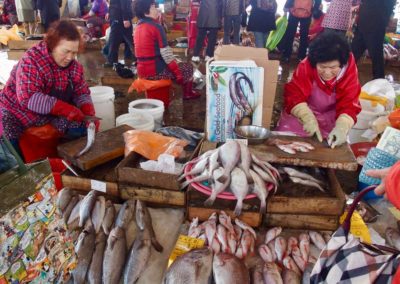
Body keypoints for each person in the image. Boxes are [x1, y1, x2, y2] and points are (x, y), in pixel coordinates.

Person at [0, 20, 97, 152]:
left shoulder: (74, 67)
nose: (70, 57)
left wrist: (88, 111)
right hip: (16, 110)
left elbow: (81, 92)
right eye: (66, 51)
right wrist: (66, 109)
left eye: (74, 53)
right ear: (53, 45)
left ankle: (69, 157)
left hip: (47, 113)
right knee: (10, 149)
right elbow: (29, 98)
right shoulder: (31, 61)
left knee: (80, 128)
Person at [276, 32, 361, 148]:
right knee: (286, 137)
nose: (327, 73)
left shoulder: (349, 68)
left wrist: (342, 125)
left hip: (333, 116)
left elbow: (350, 102)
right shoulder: (306, 64)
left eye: (333, 67)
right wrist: (306, 117)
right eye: (322, 67)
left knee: (335, 146)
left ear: (342, 63)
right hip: (306, 111)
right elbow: (294, 93)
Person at [134, 0, 200, 99]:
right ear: (145, 11)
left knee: (176, 61)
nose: (156, 9)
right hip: (155, 72)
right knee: (188, 67)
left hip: (141, 71)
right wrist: (178, 74)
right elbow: (167, 55)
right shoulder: (156, 27)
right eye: (153, 7)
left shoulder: (137, 27)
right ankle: (187, 93)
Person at [351, 0, 396, 79]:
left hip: (375, 23)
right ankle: (342, 78)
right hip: (365, 22)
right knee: (353, 54)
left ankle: (379, 82)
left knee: (376, 56)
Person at [104, 0, 136, 67]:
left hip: (119, 18)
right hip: (118, 17)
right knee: (129, 39)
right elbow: (115, 3)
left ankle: (112, 61)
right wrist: (109, 12)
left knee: (113, 40)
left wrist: (125, 18)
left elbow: (124, 3)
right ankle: (134, 57)